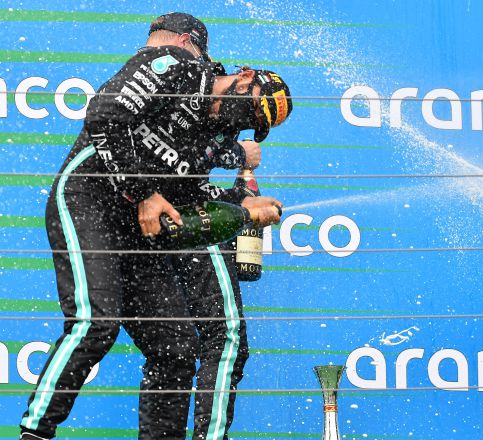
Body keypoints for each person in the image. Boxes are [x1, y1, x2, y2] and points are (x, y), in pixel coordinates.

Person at [18, 25, 290, 439]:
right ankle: (35, 432)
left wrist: (240, 205)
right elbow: (104, 114)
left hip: (135, 229)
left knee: (178, 347)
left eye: (256, 123)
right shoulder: (180, 66)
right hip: (88, 196)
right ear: (246, 76)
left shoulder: (214, 136)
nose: (249, 120)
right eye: (255, 108)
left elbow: (187, 196)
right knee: (95, 322)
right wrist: (143, 191)